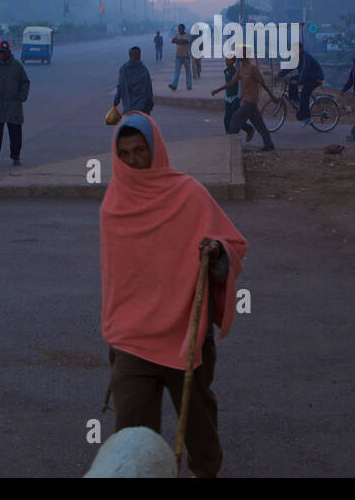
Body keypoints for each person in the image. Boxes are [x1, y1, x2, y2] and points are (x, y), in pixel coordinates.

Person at [101, 112, 247, 478]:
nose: (134, 161)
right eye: (125, 153)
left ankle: (206, 473)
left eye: (141, 150)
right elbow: (117, 278)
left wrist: (216, 253)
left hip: (185, 333)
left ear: (157, 149)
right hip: (131, 339)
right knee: (133, 438)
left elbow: (232, 243)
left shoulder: (189, 193)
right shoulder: (114, 203)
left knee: (199, 432)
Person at [213, 47, 278, 150]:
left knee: (234, 120)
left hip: (250, 101)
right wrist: (218, 90)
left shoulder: (253, 69)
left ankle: (230, 144)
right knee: (259, 124)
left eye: (241, 54)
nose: (239, 56)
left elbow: (263, 83)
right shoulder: (241, 69)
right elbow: (232, 82)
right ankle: (269, 144)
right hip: (248, 102)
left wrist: (272, 96)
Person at [0, 40, 31, 167]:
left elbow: (25, 82)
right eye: (1, 52)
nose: (3, 54)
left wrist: (22, 97)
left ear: (9, 52)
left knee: (15, 133)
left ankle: (15, 156)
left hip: (14, 105)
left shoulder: (17, 66)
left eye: (5, 52)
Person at [290, 41, 324, 127]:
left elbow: (305, 71)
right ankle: (296, 100)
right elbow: (289, 67)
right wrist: (279, 75)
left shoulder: (306, 57)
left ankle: (307, 118)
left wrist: (299, 81)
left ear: (301, 49)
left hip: (316, 78)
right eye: (293, 50)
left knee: (304, 94)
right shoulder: (296, 57)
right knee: (291, 80)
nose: (294, 51)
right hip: (308, 77)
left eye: (296, 49)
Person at [113, 46, 154, 115]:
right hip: (142, 108)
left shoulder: (123, 69)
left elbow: (120, 86)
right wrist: (150, 104)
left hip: (128, 108)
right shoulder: (144, 70)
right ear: (139, 56)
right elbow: (149, 90)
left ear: (129, 55)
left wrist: (116, 100)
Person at [220, 53, 251, 140]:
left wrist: (239, 97)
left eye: (229, 60)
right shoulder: (226, 71)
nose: (227, 62)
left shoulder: (236, 72)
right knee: (227, 118)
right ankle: (228, 134)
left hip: (235, 98)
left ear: (233, 61)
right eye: (226, 60)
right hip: (228, 98)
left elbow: (239, 84)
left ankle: (248, 128)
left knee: (235, 118)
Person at [168, 24, 193, 90]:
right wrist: (179, 41)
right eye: (178, 28)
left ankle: (189, 85)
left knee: (188, 72)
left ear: (184, 28)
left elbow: (185, 41)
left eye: (180, 28)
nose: (179, 30)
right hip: (178, 56)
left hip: (186, 56)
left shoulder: (188, 35)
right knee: (176, 72)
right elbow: (172, 41)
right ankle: (174, 85)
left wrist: (177, 41)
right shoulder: (177, 35)